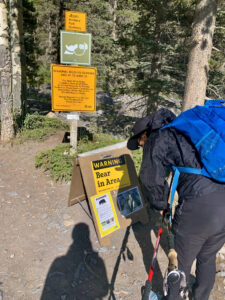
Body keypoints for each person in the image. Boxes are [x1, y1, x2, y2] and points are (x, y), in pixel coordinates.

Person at [127, 108, 225, 300]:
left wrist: (160, 205)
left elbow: (150, 179)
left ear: (144, 134)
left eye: (140, 143)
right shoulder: (183, 129)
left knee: (179, 264)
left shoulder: (157, 138)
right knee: (207, 257)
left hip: (199, 206)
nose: (141, 146)